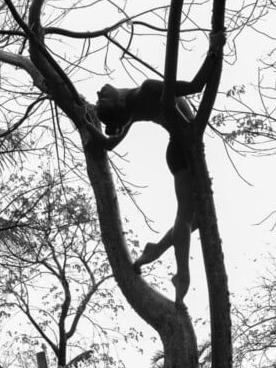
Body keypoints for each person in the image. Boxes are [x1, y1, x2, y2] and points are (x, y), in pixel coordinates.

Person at [96, 31, 224, 304]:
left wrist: (90, 123)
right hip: (183, 149)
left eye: (98, 99)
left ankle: (156, 249)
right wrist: (214, 50)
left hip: (179, 150)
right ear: (117, 103)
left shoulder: (130, 109)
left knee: (197, 219)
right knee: (186, 216)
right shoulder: (146, 90)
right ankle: (182, 274)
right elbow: (195, 85)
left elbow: (109, 142)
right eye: (101, 100)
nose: (98, 93)